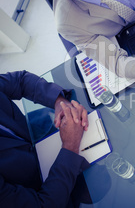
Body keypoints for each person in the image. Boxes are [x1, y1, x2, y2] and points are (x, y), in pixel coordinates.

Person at [0, 70, 90, 207]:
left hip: (37, 137)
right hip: (48, 189)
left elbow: (20, 80)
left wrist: (59, 102)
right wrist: (70, 145)